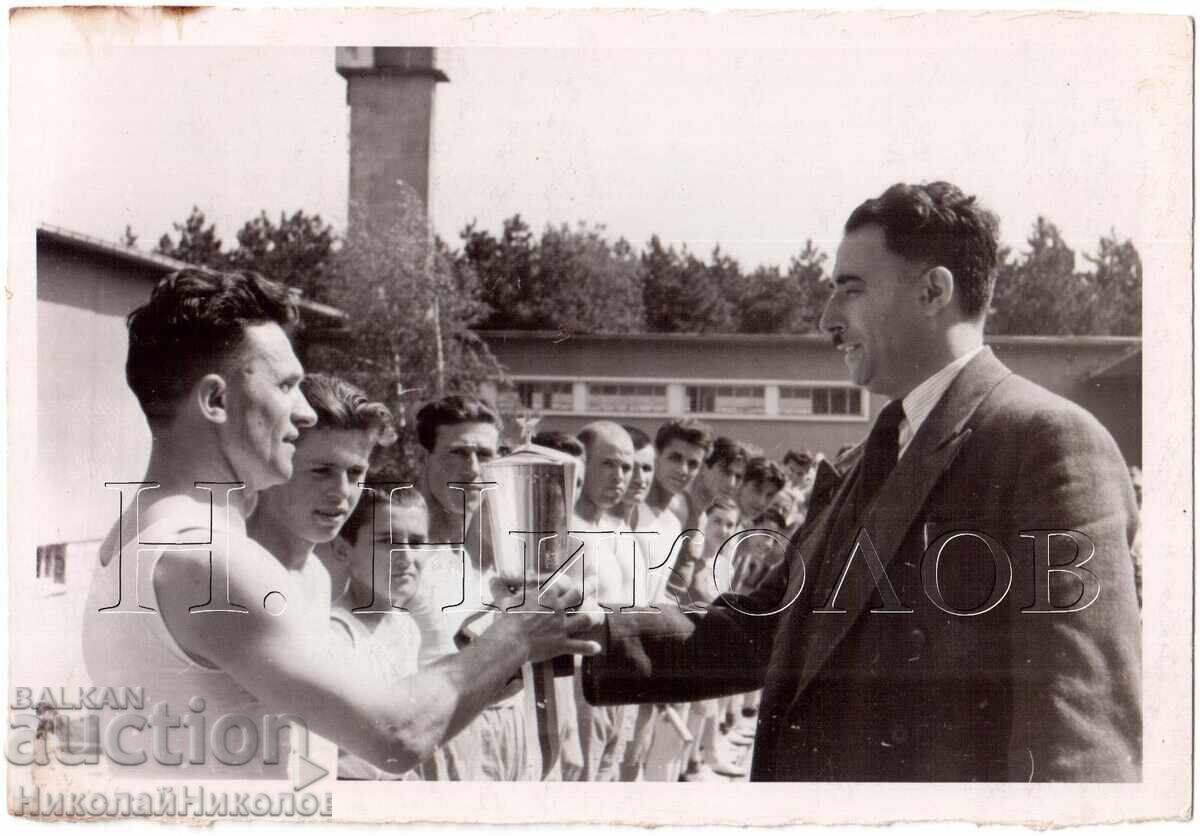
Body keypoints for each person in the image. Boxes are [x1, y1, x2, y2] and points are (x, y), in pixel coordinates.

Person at [585, 181, 1141, 781]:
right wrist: (589, 632)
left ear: (933, 291)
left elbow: (1077, 731)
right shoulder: (871, 456)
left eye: (850, 289)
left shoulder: (1047, 443)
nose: (827, 318)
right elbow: (762, 633)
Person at [81, 268, 599, 780]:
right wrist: (514, 638)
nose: (305, 413)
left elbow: (366, 715)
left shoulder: (132, 539)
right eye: (287, 386)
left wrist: (494, 650)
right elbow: (395, 736)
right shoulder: (213, 562)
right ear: (216, 401)